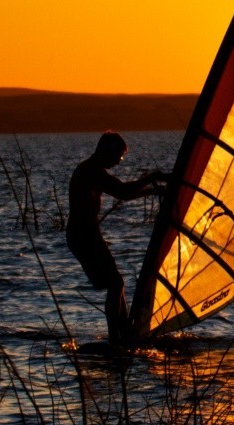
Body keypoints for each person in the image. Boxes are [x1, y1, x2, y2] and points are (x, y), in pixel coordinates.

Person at [67, 131, 163, 344]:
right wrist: (152, 178)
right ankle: (116, 338)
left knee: (116, 283)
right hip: (83, 236)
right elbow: (122, 190)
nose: (119, 162)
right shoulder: (91, 170)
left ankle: (123, 332)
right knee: (115, 283)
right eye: (118, 157)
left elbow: (124, 194)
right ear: (106, 151)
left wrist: (152, 192)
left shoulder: (93, 170)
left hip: (86, 235)